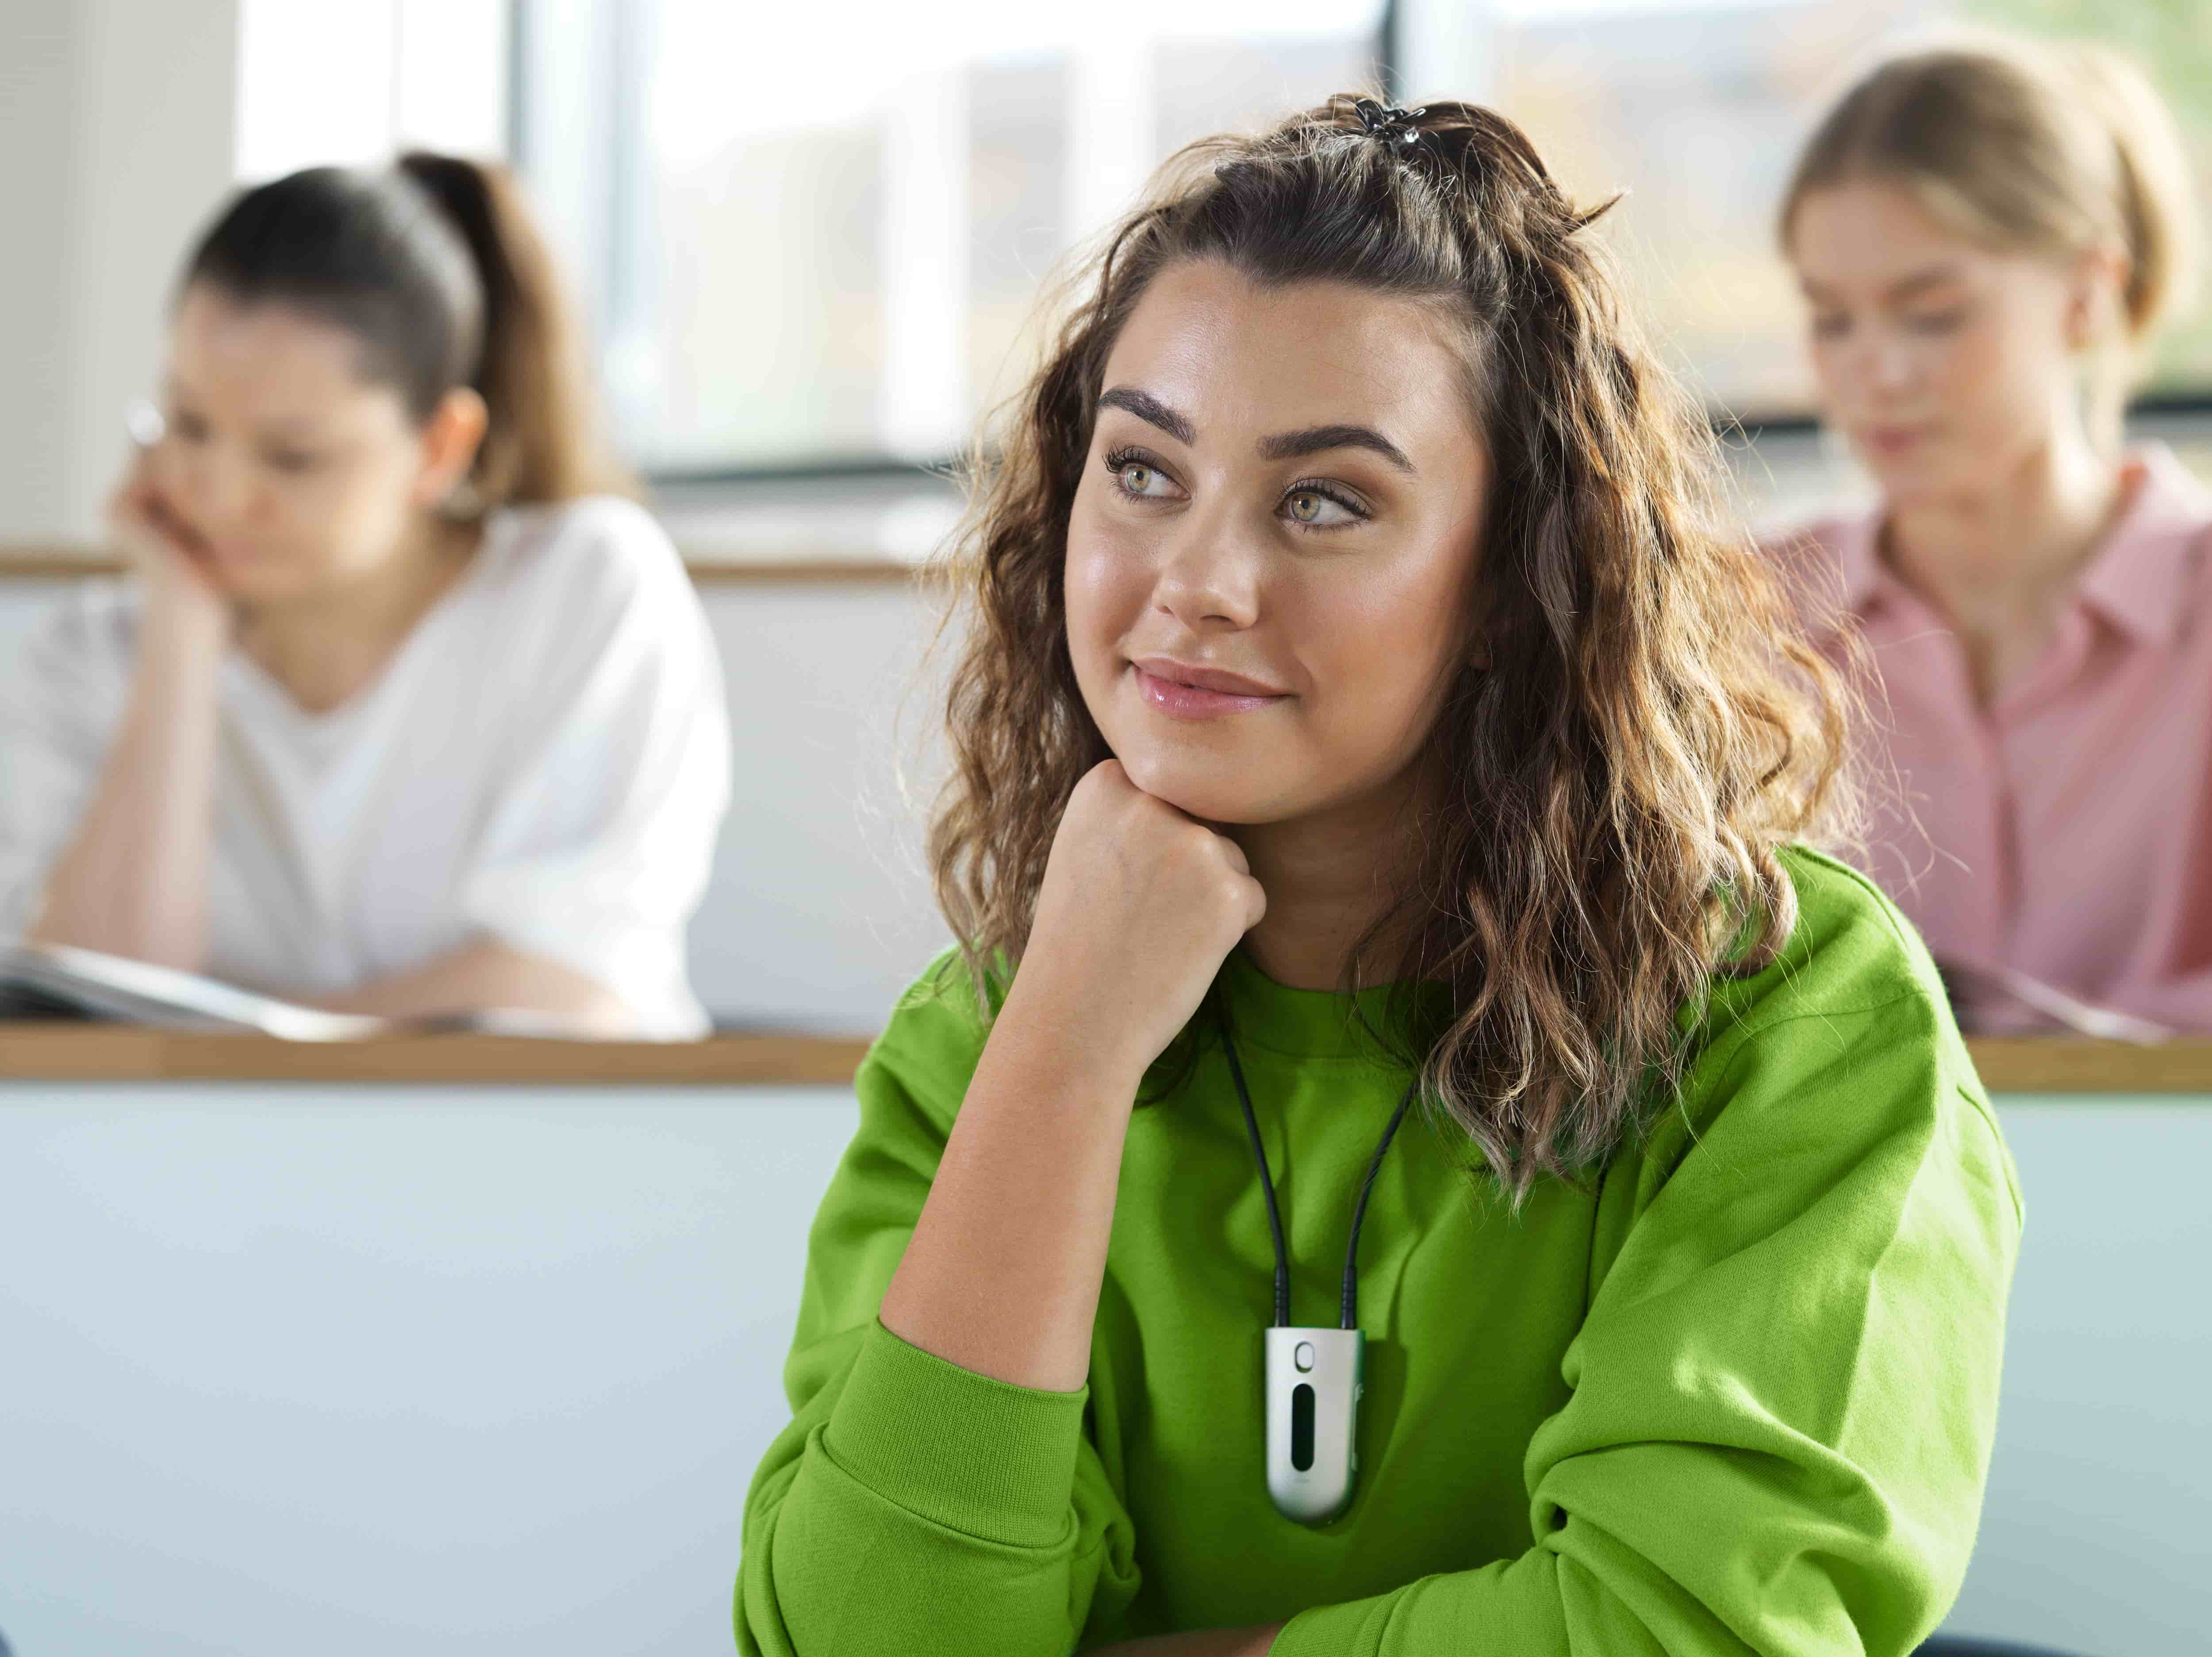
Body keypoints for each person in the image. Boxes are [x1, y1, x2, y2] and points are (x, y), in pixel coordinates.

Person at [735, 96, 2020, 1655]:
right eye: (1142, 471)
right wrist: (1065, 1053)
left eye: (1326, 500)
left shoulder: (1794, 1020)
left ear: (1511, 579)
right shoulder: (987, 1040)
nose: (1197, 583)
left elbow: (1691, 1629)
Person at [0, 153, 730, 1037]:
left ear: (438, 446)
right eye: (188, 424)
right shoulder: (92, 655)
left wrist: (230, 1052)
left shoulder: (586, 589)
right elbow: (89, 1020)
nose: (218, 494)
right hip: (187, 1169)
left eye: (292, 457)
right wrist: (182, 638)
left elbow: (563, 985)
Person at [1774, 32, 2211, 1034]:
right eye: (1831, 319)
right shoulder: (1742, 623)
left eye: (1930, 313)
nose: (1873, 371)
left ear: (2086, 295)